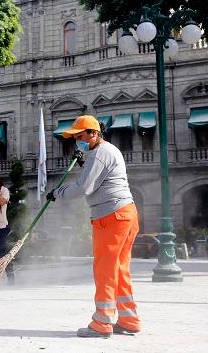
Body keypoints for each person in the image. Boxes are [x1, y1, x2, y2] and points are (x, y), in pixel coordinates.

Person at [46, 115, 140, 338]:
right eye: (75, 138)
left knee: (105, 270)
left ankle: (101, 323)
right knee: (119, 269)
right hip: (125, 213)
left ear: (94, 133)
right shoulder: (105, 151)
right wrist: (84, 162)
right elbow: (95, 180)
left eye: (81, 136)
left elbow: (83, 188)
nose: (78, 141)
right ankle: (128, 319)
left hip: (111, 216)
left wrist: (58, 193)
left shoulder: (99, 154)